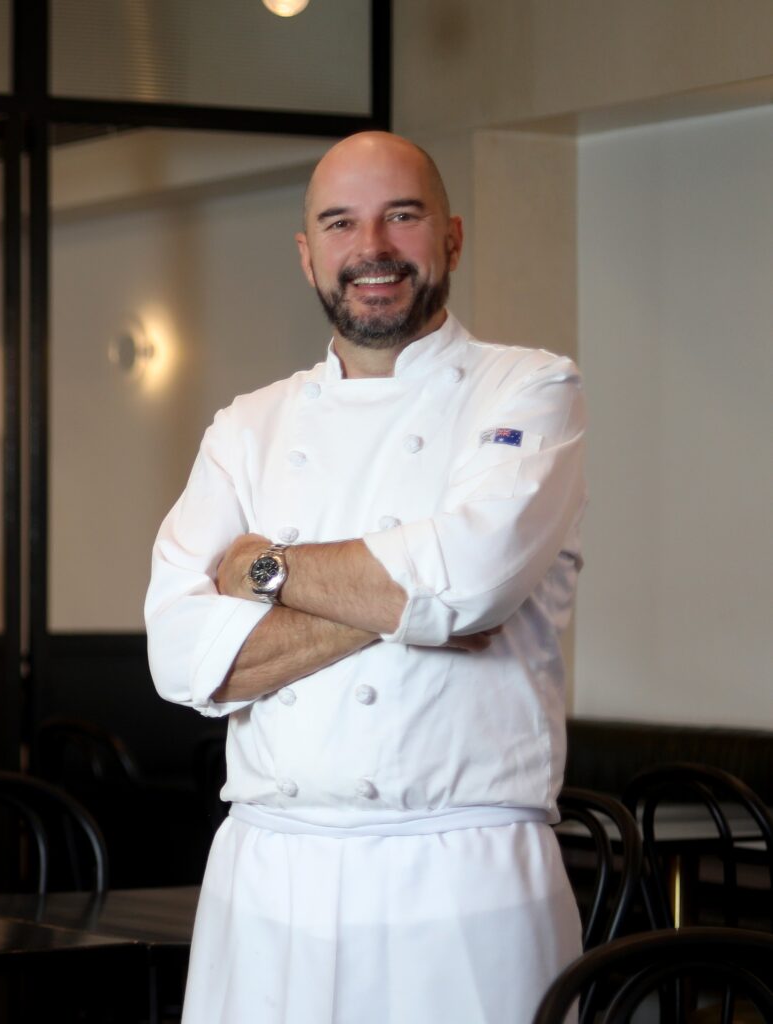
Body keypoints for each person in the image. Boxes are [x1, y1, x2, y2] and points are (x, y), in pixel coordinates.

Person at [145, 130, 586, 1024]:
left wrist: (261, 570)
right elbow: (181, 658)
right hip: (268, 877)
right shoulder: (246, 427)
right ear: (307, 254)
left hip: (463, 876)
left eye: (402, 216)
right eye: (340, 223)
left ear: (451, 237)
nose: (371, 248)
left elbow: (467, 584)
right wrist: (407, 603)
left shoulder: (530, 389)